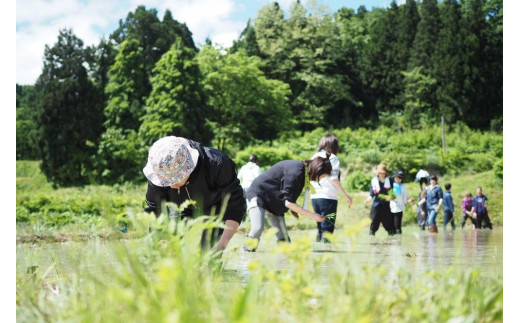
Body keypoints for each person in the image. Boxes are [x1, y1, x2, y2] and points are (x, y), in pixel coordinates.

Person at [143, 136, 246, 251]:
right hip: (178, 208)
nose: (171, 186)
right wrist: (160, 242)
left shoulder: (217, 165)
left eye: (175, 179)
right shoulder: (160, 169)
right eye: (166, 181)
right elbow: (155, 211)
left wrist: (221, 245)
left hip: (214, 207)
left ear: (189, 167)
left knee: (209, 253)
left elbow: (235, 206)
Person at [243, 157, 332, 251]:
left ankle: (283, 261)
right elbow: (289, 202)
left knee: (284, 238)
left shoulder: (302, 173)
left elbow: (289, 197)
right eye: (321, 177)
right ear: (316, 170)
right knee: (257, 229)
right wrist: (314, 216)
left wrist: (294, 209)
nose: (318, 180)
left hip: (274, 202)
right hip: (259, 195)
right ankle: (245, 254)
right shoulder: (296, 171)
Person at [310, 134, 353, 242]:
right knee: (327, 229)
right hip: (328, 197)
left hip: (315, 197)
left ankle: (317, 254)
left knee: (320, 228)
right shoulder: (332, 158)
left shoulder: (314, 157)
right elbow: (334, 179)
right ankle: (327, 255)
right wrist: (346, 196)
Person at [364, 163, 396, 236]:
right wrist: (368, 199)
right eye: (380, 173)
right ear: (378, 173)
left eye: (383, 173)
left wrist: (391, 197)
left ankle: (392, 239)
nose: (381, 174)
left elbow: (394, 192)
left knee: (389, 222)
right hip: (376, 204)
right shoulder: (374, 181)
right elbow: (372, 193)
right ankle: (372, 236)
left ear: (386, 173)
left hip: (386, 205)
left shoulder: (390, 181)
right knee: (374, 221)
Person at [389, 170, 413, 234]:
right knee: (390, 227)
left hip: (399, 208)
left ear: (401, 179)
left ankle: (398, 241)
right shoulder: (390, 185)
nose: (397, 179)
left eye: (399, 178)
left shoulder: (403, 187)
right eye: (396, 177)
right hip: (390, 207)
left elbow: (405, 197)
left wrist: (409, 200)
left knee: (397, 227)